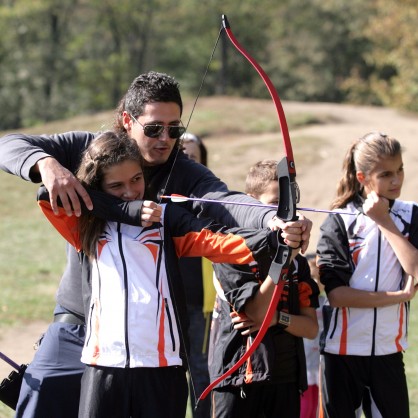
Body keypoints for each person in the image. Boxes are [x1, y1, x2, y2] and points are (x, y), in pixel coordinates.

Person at [0, 71, 312, 418]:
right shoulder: (90, 149)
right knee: (38, 406)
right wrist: (46, 164)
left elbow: (225, 202)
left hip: (150, 340)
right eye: (153, 128)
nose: (165, 139)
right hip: (76, 327)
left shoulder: (185, 172)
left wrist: (272, 220)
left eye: (174, 129)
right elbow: (7, 145)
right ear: (127, 121)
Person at [37, 131, 300, 418]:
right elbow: (47, 197)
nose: (130, 190)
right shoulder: (86, 227)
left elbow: (221, 241)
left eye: (136, 179)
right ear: (98, 185)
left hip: (162, 370)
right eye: (116, 185)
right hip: (103, 367)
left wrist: (276, 239)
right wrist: (127, 210)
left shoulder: (165, 220)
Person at [316, 132, 418, 418]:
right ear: (362, 177)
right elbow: (337, 296)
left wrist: (384, 221)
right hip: (341, 354)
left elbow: (416, 268)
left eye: (400, 170)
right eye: (386, 174)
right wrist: (397, 297)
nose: (396, 180)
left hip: (388, 352)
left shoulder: (412, 215)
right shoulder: (338, 220)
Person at [208, 159, 320, 418]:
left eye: (291, 205)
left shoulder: (297, 261)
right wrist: (285, 260)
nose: (286, 214)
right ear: (250, 203)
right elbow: (258, 312)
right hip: (237, 377)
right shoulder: (231, 250)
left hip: (286, 378)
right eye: (275, 204)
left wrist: (277, 319)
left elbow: (311, 328)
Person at [180, 132, 213, 418]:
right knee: (169, 374)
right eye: (182, 154)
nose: (186, 159)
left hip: (201, 304)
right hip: (166, 302)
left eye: (192, 156)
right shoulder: (158, 192)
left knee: (201, 373)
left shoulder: (210, 198)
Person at [300, 254, 325, 418]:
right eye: (312, 279)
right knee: (305, 408)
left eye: (318, 279)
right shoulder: (301, 305)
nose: (315, 285)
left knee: (320, 407)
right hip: (306, 364)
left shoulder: (327, 304)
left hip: (321, 364)